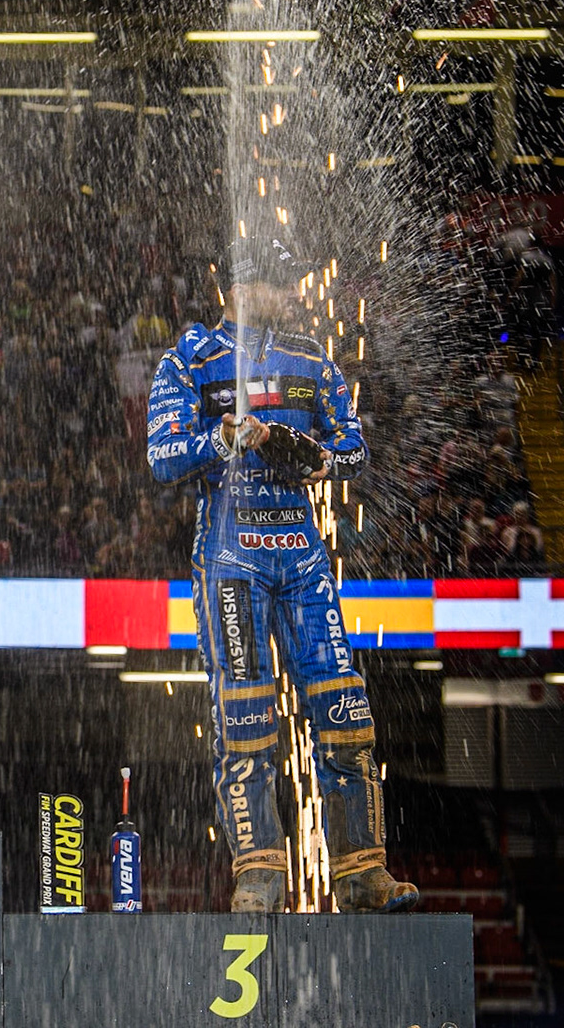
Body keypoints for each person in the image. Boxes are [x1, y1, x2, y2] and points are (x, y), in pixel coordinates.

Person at [147, 235, 418, 914]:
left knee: (345, 710)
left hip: (302, 558)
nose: (293, 293)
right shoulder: (189, 359)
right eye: (279, 282)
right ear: (242, 288)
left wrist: (310, 454)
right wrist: (222, 439)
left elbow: (353, 449)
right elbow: (161, 457)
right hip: (230, 559)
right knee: (245, 718)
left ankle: (362, 871)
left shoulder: (311, 358)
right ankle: (259, 875)